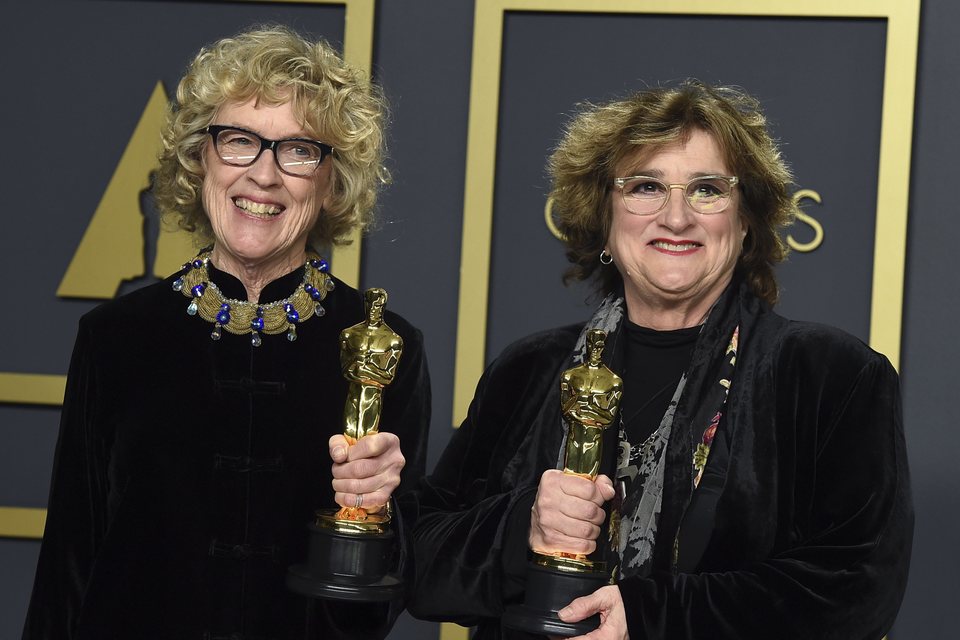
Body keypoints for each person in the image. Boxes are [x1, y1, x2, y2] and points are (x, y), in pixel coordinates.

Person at [408, 81, 912, 640]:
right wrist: (519, 528)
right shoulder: (527, 370)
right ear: (604, 216)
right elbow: (423, 561)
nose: (676, 218)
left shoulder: (831, 375)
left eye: (706, 190)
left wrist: (650, 615)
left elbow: (855, 590)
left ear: (745, 222)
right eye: (646, 187)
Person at [22, 26, 430, 640]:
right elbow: (67, 567)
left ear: (330, 182)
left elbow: (385, 593)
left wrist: (382, 513)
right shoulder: (115, 339)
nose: (263, 176)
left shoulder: (385, 346)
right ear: (200, 157)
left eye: (297, 150)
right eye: (239, 140)